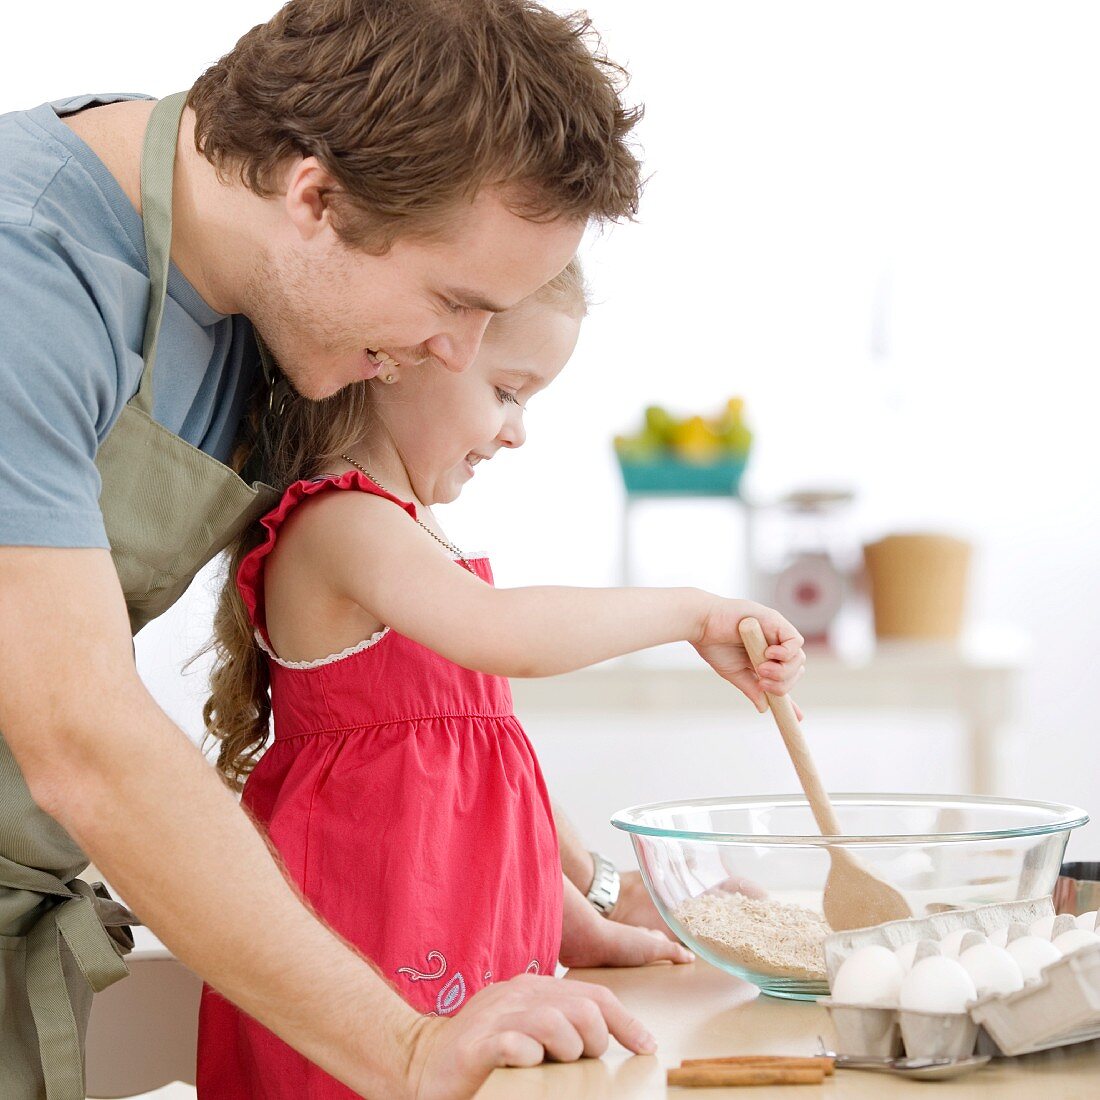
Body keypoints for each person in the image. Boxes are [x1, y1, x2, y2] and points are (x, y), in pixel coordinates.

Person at [0, 3, 697, 1097]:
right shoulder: (24, 274)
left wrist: (588, 892)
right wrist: (413, 1045)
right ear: (314, 196)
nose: (450, 356)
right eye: (453, 302)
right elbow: (81, 736)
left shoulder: (276, 309)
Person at [194, 260, 806, 1096]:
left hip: (445, 968)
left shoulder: (416, 542)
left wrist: (588, 913)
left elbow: (478, 780)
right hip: (367, 976)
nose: (517, 431)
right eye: (509, 391)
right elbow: (505, 636)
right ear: (406, 354)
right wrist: (692, 611)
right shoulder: (343, 524)